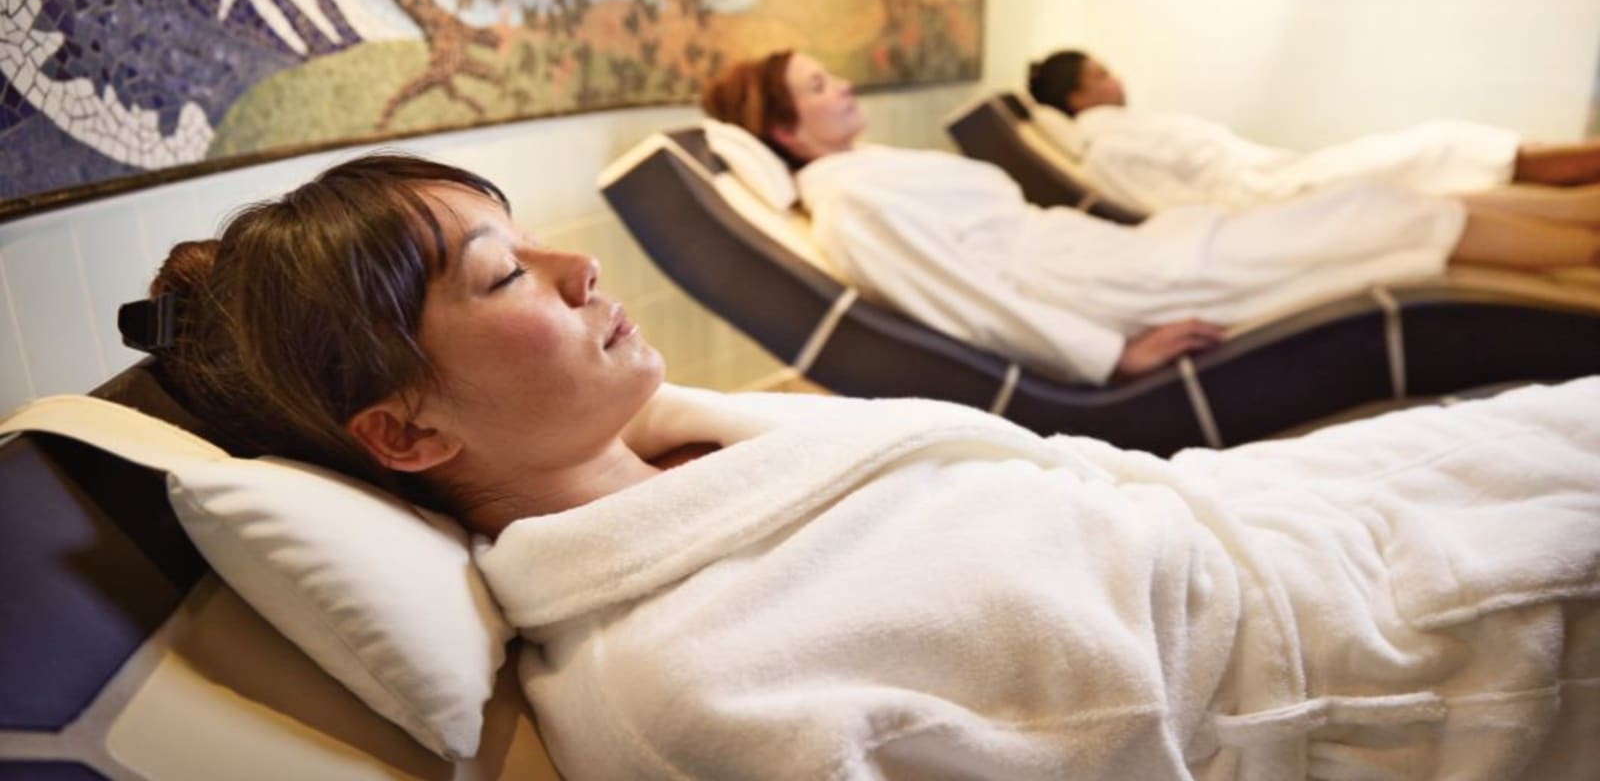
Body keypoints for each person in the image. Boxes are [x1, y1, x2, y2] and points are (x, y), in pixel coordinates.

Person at [145, 152, 1600, 780]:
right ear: (406, 434)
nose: (582, 267)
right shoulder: (682, 695)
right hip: (1422, 654)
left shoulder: (709, 441)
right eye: (504, 272)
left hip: (1324, 508)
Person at [701, 50, 1600, 386]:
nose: (844, 85)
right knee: (1384, 207)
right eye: (819, 87)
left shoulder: (871, 167)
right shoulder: (850, 200)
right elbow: (966, 303)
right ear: (784, 129)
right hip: (1116, 284)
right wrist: (1109, 354)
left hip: (1123, 253)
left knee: (1390, 206)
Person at [1027, 49, 1600, 215]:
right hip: (1276, 196)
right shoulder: (1109, 148)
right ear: (1076, 98)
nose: (1116, 76)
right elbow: (1177, 213)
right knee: (1441, 144)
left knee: (1447, 143)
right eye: (1100, 75)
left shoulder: (1124, 127)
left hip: (1282, 172)